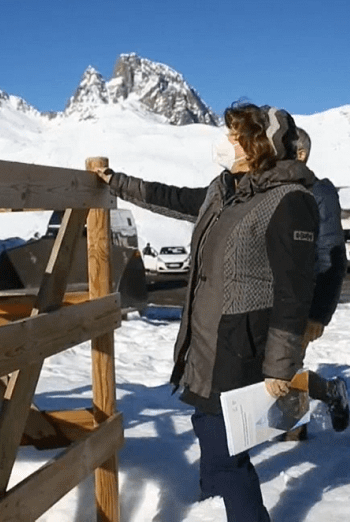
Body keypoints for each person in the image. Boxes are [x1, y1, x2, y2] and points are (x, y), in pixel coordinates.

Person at [93, 102, 318, 522]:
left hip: (242, 344)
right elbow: (172, 198)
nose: (225, 143)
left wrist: (280, 368)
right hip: (209, 339)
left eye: (234, 136)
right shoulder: (226, 190)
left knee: (224, 451)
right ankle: (211, 512)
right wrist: (117, 182)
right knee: (213, 438)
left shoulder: (289, 201)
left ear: (258, 144)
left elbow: (295, 292)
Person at [283, 127, 350, 440]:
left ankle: (293, 437)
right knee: (274, 366)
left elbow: (332, 254)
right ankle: (328, 391)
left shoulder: (320, 192)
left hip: (304, 299)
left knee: (286, 366)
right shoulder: (277, 190)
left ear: (301, 155)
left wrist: (319, 314)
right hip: (273, 297)